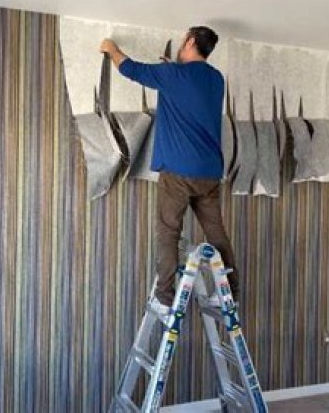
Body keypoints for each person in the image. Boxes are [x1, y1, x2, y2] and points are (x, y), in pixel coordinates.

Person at [99, 26, 240, 314]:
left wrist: (111, 48)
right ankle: (230, 292)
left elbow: (131, 69)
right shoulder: (215, 79)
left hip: (178, 171)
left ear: (189, 41)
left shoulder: (172, 75)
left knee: (168, 232)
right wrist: (170, 70)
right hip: (209, 172)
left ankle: (165, 298)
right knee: (216, 232)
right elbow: (188, 90)